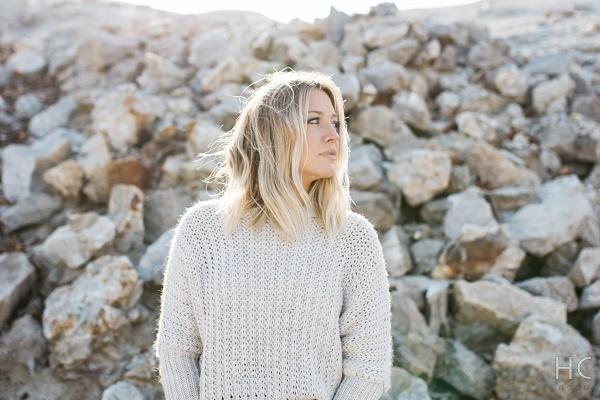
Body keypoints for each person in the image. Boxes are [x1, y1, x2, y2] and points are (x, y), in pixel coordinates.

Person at [153, 69, 393, 400]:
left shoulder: (352, 238)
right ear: (273, 131)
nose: (333, 136)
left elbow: (369, 367)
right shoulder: (203, 230)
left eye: (336, 123)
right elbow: (177, 349)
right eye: (314, 120)